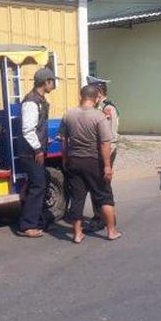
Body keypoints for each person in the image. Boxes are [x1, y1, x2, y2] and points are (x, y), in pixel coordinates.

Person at [61, 84, 122, 244]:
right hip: (94, 162)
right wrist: (107, 166)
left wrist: (65, 158)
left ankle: (77, 234)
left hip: (74, 160)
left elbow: (64, 140)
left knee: (77, 198)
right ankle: (111, 231)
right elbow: (105, 143)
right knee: (104, 196)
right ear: (96, 98)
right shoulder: (99, 116)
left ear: (81, 96)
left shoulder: (69, 114)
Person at [17, 67, 59, 238]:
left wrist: (43, 141)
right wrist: (38, 148)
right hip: (30, 152)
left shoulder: (39, 99)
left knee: (41, 183)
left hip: (35, 149)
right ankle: (27, 226)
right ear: (45, 82)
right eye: (52, 81)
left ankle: (40, 221)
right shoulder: (31, 102)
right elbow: (28, 130)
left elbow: (37, 128)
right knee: (38, 186)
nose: (54, 84)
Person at [86, 75, 119, 231]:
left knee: (101, 185)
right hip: (99, 152)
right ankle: (104, 216)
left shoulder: (107, 108)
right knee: (99, 185)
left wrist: (106, 161)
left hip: (106, 152)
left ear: (99, 91)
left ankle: (102, 218)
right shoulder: (98, 107)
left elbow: (109, 136)